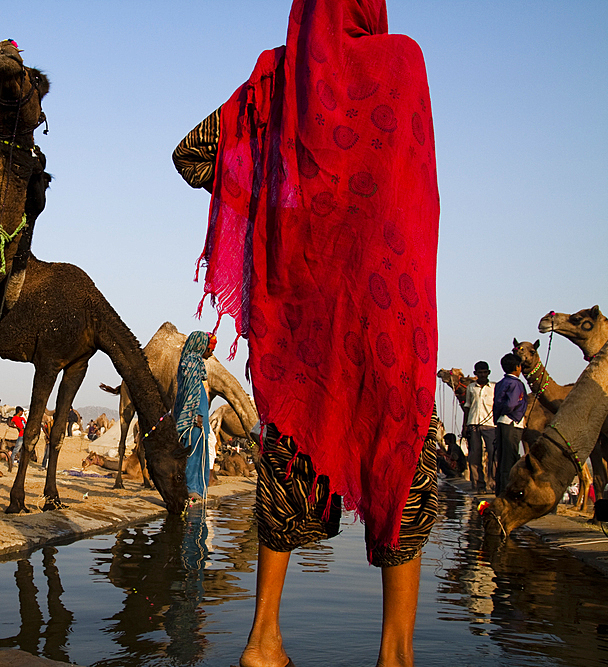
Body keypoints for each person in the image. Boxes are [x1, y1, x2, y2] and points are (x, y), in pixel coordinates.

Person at [173, 1, 440, 665]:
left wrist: (272, 204)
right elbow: (420, 192)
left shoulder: (276, 85)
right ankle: (395, 654)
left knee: (292, 449)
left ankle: (264, 640)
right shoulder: (402, 60)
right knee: (399, 449)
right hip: (388, 316)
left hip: (305, 321)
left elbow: (193, 155)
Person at [175, 331, 216, 502]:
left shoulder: (190, 361)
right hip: (194, 419)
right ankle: (191, 489)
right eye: (209, 349)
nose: (210, 353)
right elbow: (192, 392)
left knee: (197, 452)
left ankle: (194, 489)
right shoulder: (192, 361)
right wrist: (196, 416)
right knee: (194, 453)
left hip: (196, 416)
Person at [492, 353, 526, 495]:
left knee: (502, 459)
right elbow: (512, 403)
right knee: (509, 459)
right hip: (511, 423)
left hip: (501, 422)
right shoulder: (516, 384)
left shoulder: (500, 383)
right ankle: (507, 493)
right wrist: (510, 413)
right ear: (518, 367)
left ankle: (500, 490)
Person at [464, 361, 496, 493]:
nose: (482, 375)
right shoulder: (471, 388)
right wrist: (465, 426)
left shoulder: (494, 387)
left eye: (484, 372)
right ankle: (478, 485)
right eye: (480, 373)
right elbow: (467, 407)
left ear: (488, 373)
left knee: (493, 455)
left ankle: (493, 484)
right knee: (475, 455)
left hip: (490, 425)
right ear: (475, 374)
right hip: (473, 424)